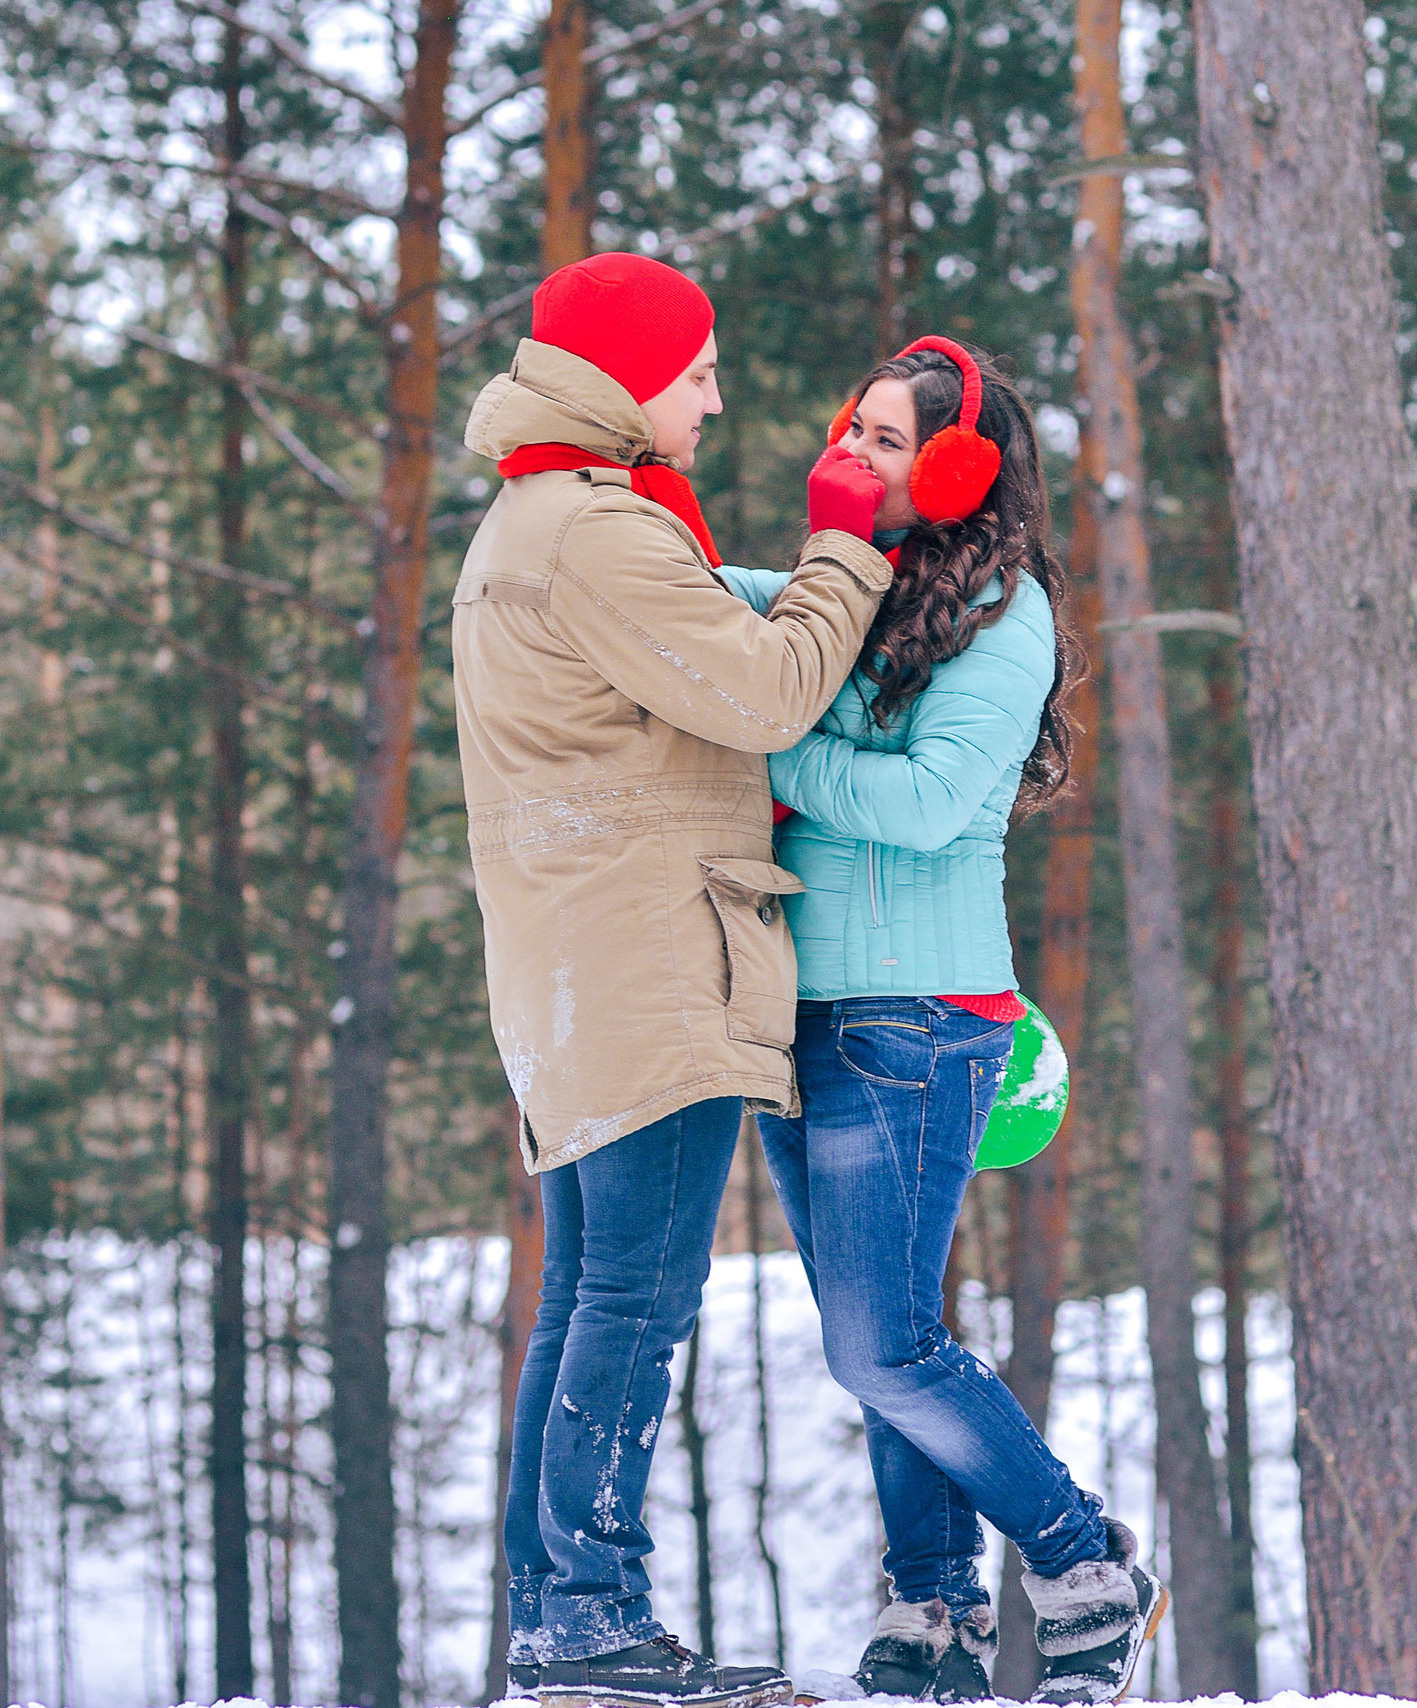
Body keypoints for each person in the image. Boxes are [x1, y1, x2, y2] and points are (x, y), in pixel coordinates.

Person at [454, 252, 894, 1708]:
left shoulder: (533, 518)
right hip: (643, 961)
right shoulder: (595, 532)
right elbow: (768, 692)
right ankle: (589, 1620)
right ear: (628, 378)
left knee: (590, 1288)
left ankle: (561, 1613)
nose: (715, 397)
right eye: (697, 371)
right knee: (633, 1297)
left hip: (583, 962)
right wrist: (849, 546)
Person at [715, 339, 1163, 1707]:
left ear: (963, 469)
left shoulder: (1004, 617)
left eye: (888, 442)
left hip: (918, 1023)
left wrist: (757, 725)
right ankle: (935, 1601)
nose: (854, 456)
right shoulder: (853, 586)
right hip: (813, 1014)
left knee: (883, 1344)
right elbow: (717, 604)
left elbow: (914, 806)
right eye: (848, 430)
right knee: (884, 1329)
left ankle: (1085, 1565)